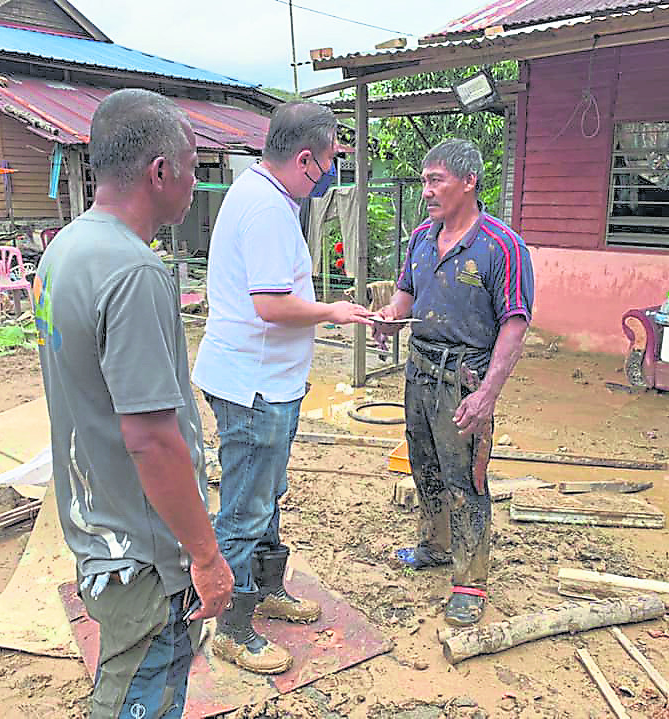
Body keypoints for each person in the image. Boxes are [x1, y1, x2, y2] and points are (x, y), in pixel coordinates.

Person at [34, 89, 233, 719]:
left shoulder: (63, 251)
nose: (196, 178)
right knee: (141, 691)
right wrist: (205, 557)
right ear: (160, 171)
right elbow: (151, 438)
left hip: (96, 525)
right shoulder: (134, 272)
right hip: (145, 555)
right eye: (195, 163)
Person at [192, 102, 373, 674]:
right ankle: (233, 626)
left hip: (267, 380)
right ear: (304, 159)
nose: (331, 172)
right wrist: (334, 312)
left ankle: (265, 587)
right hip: (255, 386)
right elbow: (271, 305)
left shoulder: (264, 195)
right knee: (246, 508)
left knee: (267, 495)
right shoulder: (268, 208)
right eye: (330, 161)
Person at [373, 138, 533, 628]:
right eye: (424, 180)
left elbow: (515, 322)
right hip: (419, 369)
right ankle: (436, 545)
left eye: (435, 180)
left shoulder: (501, 246)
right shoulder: (422, 238)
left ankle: (470, 581)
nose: (426, 191)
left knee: (467, 477)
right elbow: (406, 294)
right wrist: (388, 315)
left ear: (469, 182)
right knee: (424, 463)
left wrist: (487, 394)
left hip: (465, 377)